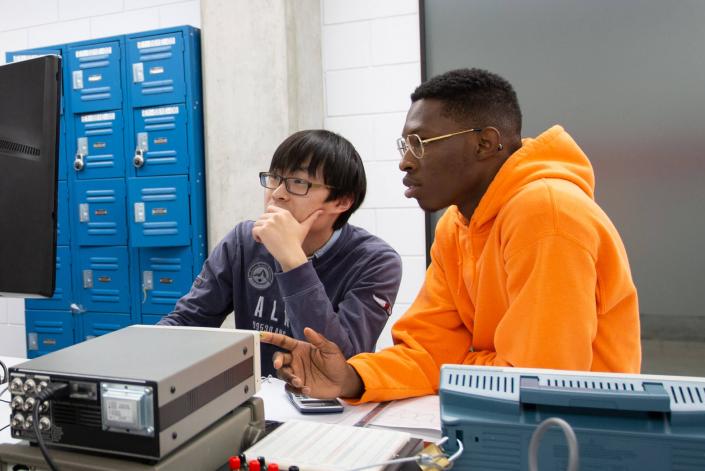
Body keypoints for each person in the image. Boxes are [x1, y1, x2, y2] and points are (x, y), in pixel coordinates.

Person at [262, 68, 641, 403]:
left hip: (582, 438)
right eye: (404, 146)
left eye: (419, 144)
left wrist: (460, 360)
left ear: (484, 143)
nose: (405, 162)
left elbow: (539, 382)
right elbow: (429, 350)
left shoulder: (547, 212)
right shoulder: (456, 225)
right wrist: (352, 377)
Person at [158, 130, 402, 376]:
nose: (277, 193)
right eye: (275, 178)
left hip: (335, 410)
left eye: (298, 183)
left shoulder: (376, 261)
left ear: (341, 202)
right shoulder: (244, 242)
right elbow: (187, 322)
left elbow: (340, 366)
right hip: (261, 399)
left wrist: (293, 261)